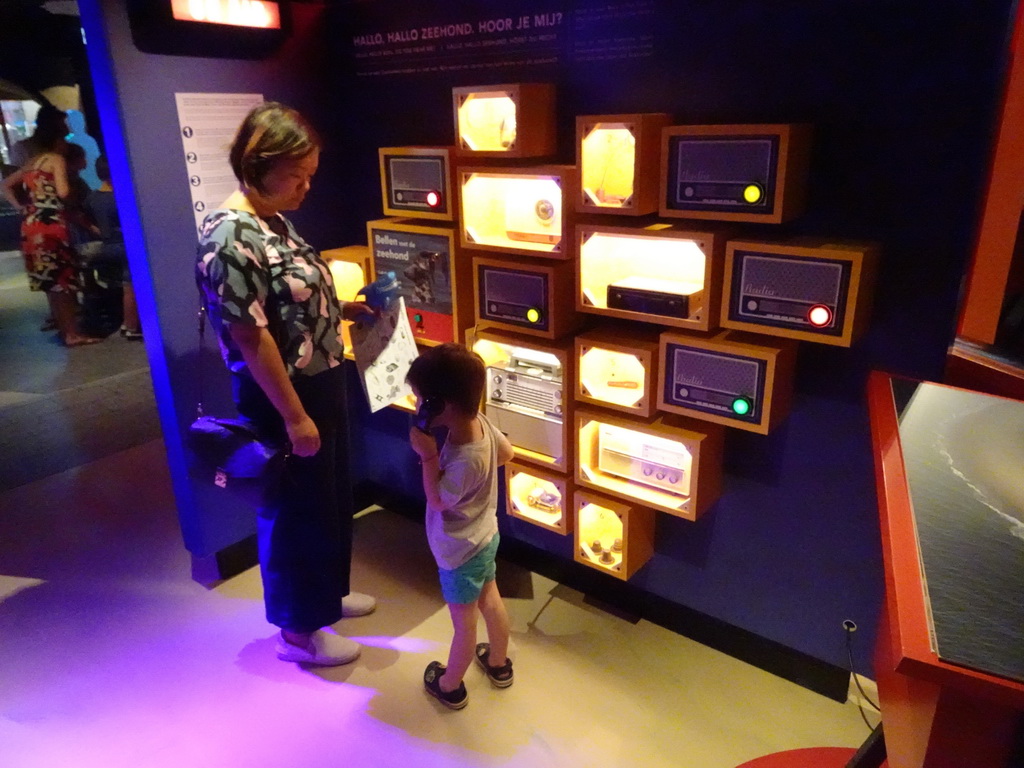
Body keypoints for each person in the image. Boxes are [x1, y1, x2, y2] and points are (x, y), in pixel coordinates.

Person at [195, 102, 376, 666]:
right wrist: (296, 416)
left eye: (311, 176)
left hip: (319, 378)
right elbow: (252, 337)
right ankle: (298, 632)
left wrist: (345, 309)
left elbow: (289, 302)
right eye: (296, 176)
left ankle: (326, 595)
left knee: (327, 498)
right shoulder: (230, 234)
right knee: (296, 507)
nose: (305, 189)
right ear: (259, 164)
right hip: (283, 394)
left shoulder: (271, 218)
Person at [406, 342, 516, 710]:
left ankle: (450, 684)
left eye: (422, 400)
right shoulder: (479, 422)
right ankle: (499, 663)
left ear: (443, 406)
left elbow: (437, 499)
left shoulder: (463, 459)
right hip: (485, 536)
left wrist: (428, 455)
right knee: (491, 600)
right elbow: (507, 453)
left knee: (464, 623)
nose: (419, 407)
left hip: (459, 551)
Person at [1, 106, 101, 347]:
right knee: (64, 279)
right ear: (59, 138)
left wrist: (22, 206)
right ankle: (72, 333)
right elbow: (63, 192)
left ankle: (65, 329)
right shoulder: (55, 159)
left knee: (51, 281)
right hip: (52, 224)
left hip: (32, 224)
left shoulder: (33, 161)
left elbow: (5, 185)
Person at [86, 155, 142, 339]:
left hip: (105, 247)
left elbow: (83, 218)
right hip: (122, 246)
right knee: (131, 283)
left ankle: (128, 324)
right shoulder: (120, 198)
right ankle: (130, 326)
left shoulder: (93, 198)